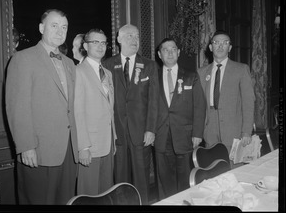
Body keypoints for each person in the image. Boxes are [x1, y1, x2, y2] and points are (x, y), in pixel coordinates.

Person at [5, 9, 79, 205]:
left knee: (66, 201)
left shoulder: (70, 63)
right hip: (39, 151)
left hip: (69, 152)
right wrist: (26, 145)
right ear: (41, 28)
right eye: (54, 26)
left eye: (64, 27)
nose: (60, 31)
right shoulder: (22, 59)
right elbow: (17, 106)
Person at [103, 24, 159, 205]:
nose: (134, 40)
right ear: (118, 39)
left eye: (136, 36)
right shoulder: (107, 65)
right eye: (129, 36)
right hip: (117, 132)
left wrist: (151, 129)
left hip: (141, 132)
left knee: (142, 178)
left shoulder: (149, 65)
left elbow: (154, 101)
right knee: (120, 178)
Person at [154, 38, 206, 199]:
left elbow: (199, 106)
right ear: (159, 54)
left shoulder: (191, 76)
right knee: (164, 180)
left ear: (178, 52)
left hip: (185, 136)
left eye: (173, 49)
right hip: (160, 136)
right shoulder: (152, 77)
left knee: (185, 179)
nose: (169, 52)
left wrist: (197, 133)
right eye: (165, 49)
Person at [197, 30, 255, 155]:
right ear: (211, 47)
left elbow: (248, 103)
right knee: (213, 169)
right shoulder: (201, 73)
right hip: (210, 131)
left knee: (235, 170)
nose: (220, 46)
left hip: (234, 130)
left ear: (230, 48)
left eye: (225, 43)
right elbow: (198, 105)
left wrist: (246, 132)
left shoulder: (241, 69)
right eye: (216, 42)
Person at [74, 29, 117, 195]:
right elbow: (77, 111)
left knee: (106, 191)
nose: (100, 46)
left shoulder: (108, 74)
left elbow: (109, 110)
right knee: (89, 193)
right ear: (85, 46)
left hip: (108, 143)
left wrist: (113, 137)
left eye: (103, 42)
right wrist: (83, 146)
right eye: (95, 42)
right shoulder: (78, 72)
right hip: (90, 145)